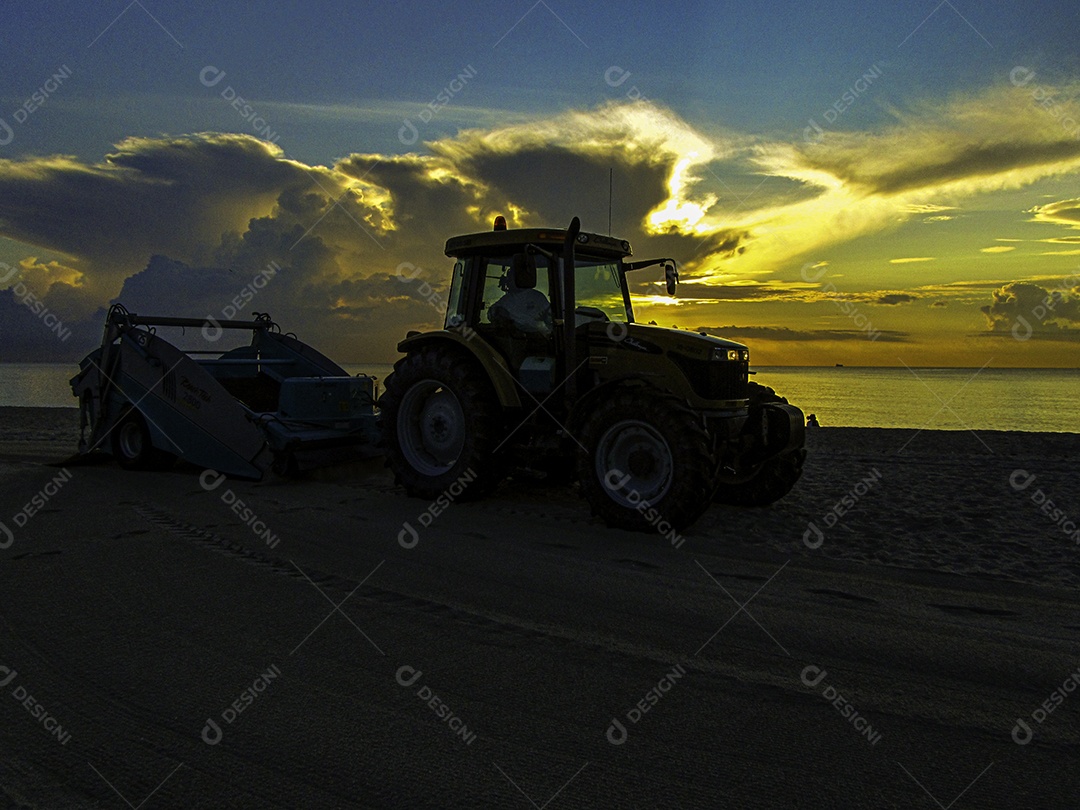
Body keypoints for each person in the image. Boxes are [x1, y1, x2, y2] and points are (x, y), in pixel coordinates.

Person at [488, 254, 552, 337]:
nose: (508, 280)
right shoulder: (506, 301)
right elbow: (492, 314)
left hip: (538, 337)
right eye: (509, 277)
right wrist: (498, 312)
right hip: (516, 339)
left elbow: (549, 317)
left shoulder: (538, 297)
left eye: (511, 277)